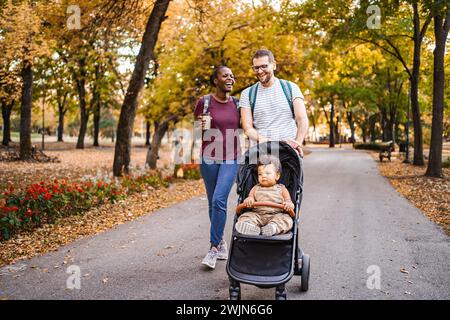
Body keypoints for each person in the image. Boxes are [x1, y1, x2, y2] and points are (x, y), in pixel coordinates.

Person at [194, 66, 240, 269]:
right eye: (225, 76)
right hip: (209, 158)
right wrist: (203, 128)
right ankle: (221, 242)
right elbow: (197, 134)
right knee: (213, 203)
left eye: (231, 76)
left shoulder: (238, 104)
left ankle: (213, 248)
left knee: (220, 199)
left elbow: (247, 127)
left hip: (232, 157)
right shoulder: (203, 102)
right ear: (215, 80)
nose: (230, 78)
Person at [239, 49, 309, 154]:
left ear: (274, 65)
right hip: (261, 152)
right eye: (256, 68)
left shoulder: (291, 88)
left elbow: (302, 119)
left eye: (264, 66)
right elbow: (247, 128)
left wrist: (297, 143)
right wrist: (264, 140)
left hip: (289, 151)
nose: (260, 71)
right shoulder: (247, 94)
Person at [235, 155, 294, 236]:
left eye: (268, 173)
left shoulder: (282, 189)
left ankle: (273, 228)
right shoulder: (255, 188)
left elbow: (289, 202)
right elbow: (250, 197)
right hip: (257, 214)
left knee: (286, 219)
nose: (263, 176)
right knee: (245, 216)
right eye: (260, 174)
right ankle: (250, 227)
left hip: (276, 215)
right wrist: (249, 200)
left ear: (277, 175)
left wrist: (288, 204)